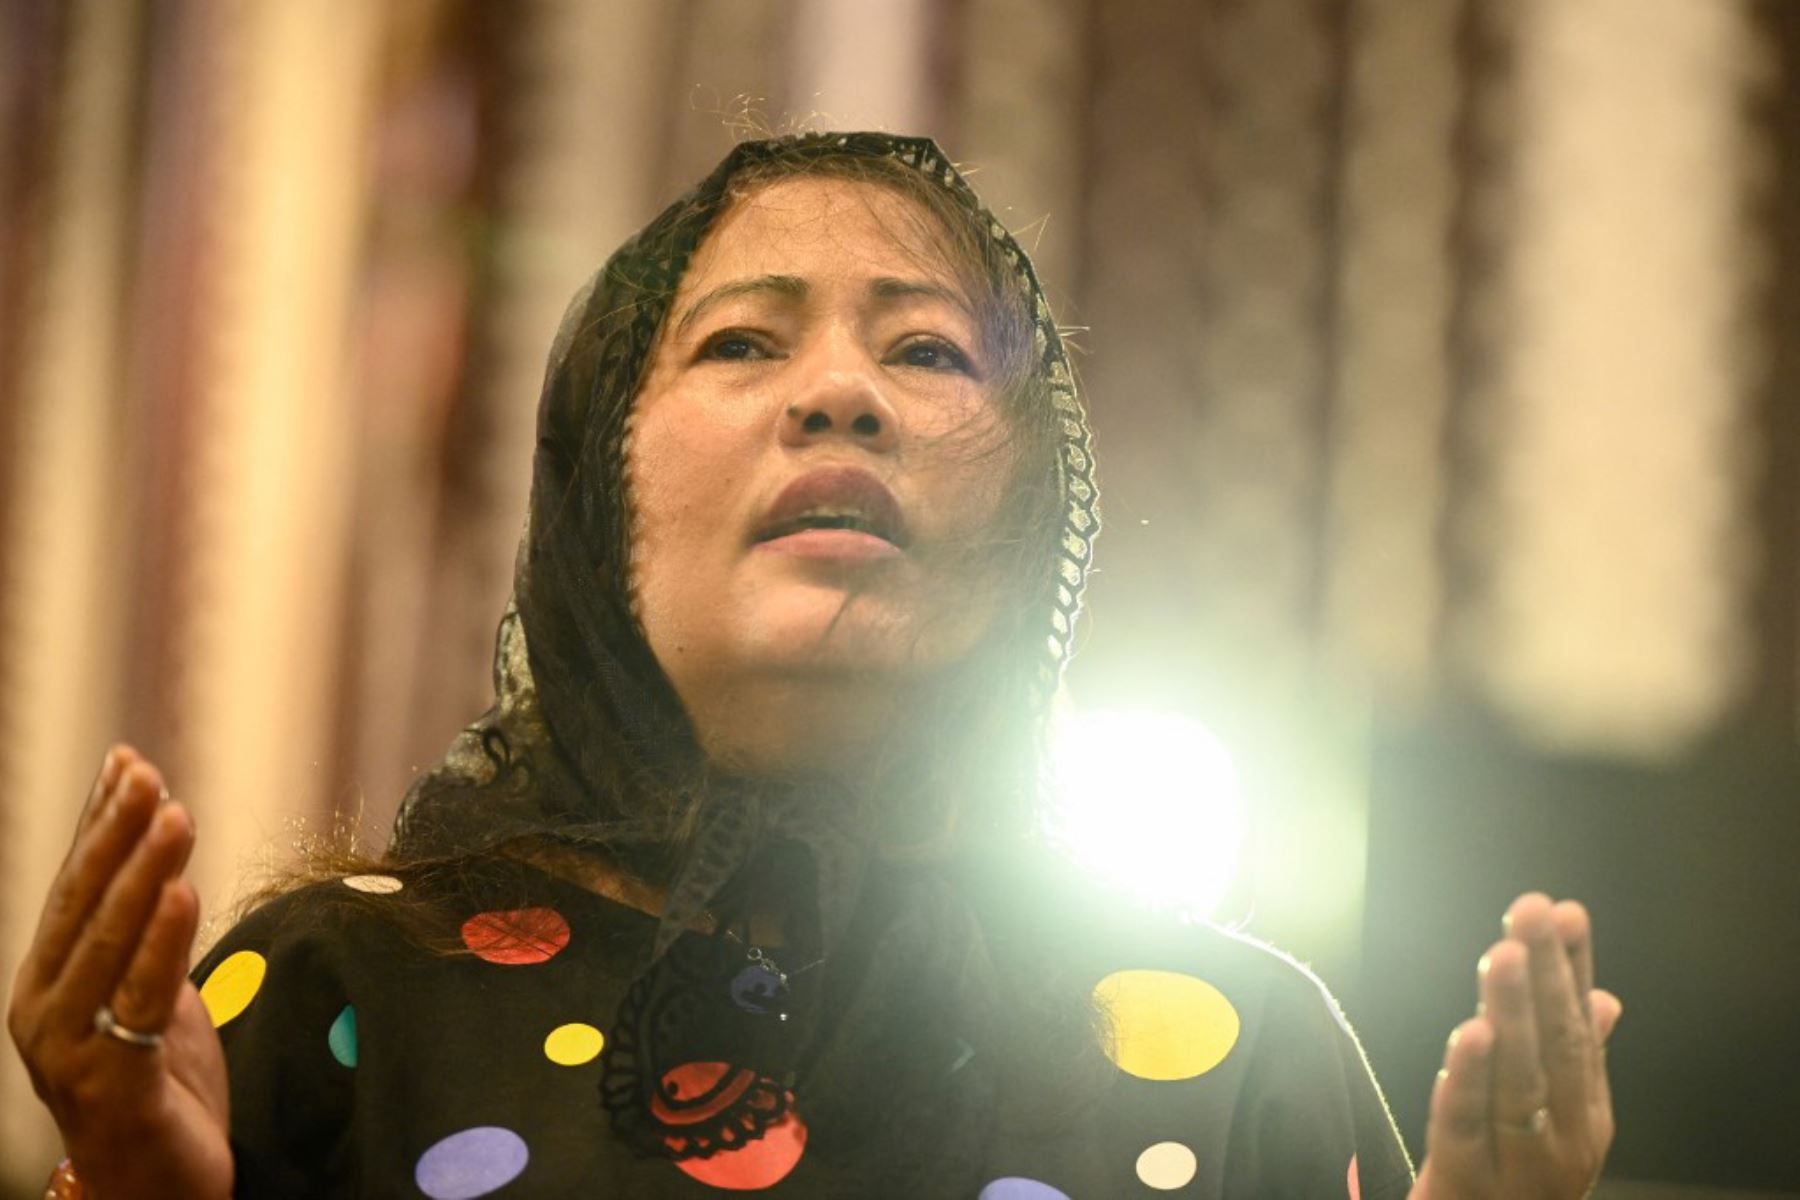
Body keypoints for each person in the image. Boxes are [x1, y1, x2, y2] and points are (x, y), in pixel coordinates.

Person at [8, 132, 1621, 1198]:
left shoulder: (1240, 1045)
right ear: (601, 500)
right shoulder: (331, 994)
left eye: (923, 349)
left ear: (1030, 510)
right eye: (741, 341)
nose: (838, 395)